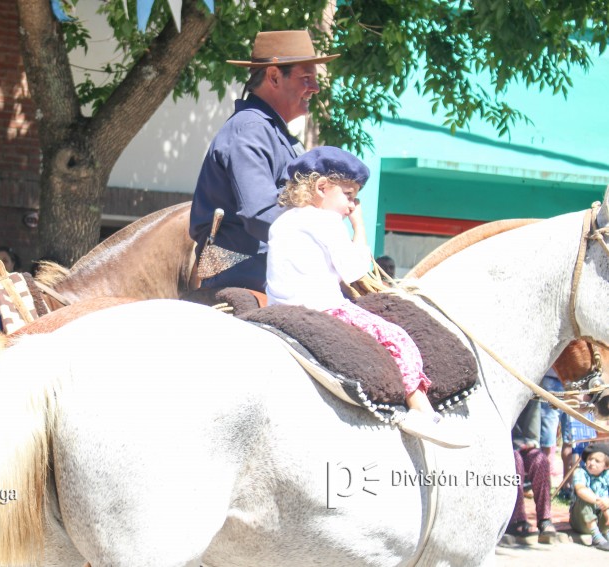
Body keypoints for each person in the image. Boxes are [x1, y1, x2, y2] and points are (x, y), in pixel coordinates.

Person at [265, 146, 468, 448]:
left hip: (278, 308)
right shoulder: (325, 221)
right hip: (321, 308)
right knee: (395, 336)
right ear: (322, 187)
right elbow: (356, 270)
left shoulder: (282, 222)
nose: (352, 205)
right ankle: (419, 409)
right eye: (349, 195)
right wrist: (358, 227)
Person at [190, 30, 339, 291]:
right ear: (273, 76)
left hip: (267, 270)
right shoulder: (250, 129)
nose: (315, 88)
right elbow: (260, 213)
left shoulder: (269, 131)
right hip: (241, 273)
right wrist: (323, 239)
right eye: (306, 78)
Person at [507, 401, 556, 538]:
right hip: (504, 447)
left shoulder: (532, 399)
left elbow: (533, 439)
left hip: (524, 445)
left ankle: (544, 519)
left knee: (540, 460)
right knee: (515, 461)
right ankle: (517, 519)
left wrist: (528, 444)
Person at [570, 441, 609, 551]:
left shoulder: (607, 475)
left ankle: (607, 532)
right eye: (589, 459)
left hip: (602, 520)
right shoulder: (581, 473)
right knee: (585, 498)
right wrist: (600, 502)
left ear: (606, 466)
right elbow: (580, 490)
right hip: (581, 521)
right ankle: (596, 537)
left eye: (597, 461)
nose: (592, 463)